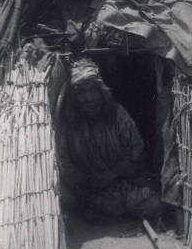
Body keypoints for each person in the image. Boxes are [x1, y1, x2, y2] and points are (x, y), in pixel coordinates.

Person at [57, 58, 160, 221]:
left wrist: (112, 174)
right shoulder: (70, 124)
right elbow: (65, 163)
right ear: (74, 97)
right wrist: (87, 182)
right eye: (82, 93)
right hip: (89, 189)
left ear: (101, 92)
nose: (89, 98)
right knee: (69, 200)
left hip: (124, 182)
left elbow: (137, 153)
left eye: (93, 91)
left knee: (151, 202)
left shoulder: (117, 115)